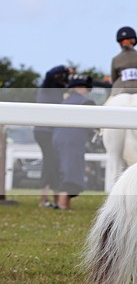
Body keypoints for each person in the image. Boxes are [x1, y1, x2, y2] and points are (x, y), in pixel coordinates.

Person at [51, 77, 96, 210]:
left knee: (65, 171)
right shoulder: (86, 102)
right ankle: (62, 205)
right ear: (81, 88)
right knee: (72, 174)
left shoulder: (65, 101)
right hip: (73, 140)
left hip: (58, 138)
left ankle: (62, 203)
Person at [33, 64, 73, 208]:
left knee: (54, 164)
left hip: (52, 132)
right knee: (50, 163)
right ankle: (44, 199)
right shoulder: (48, 85)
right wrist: (65, 68)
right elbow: (50, 73)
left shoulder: (59, 90)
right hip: (44, 132)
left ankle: (51, 198)